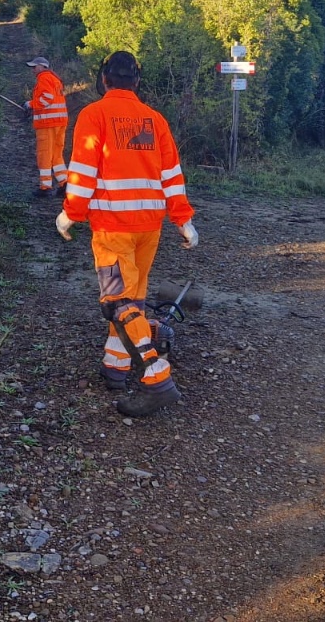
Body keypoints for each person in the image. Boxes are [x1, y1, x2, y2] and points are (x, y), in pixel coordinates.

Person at [55, 50, 198, 418]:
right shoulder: (154, 119)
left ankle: (155, 374)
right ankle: (116, 366)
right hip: (148, 227)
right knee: (132, 297)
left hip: (113, 226)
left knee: (118, 302)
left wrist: (70, 214)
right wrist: (183, 220)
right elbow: (172, 176)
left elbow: (83, 172)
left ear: (104, 79)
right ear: (137, 81)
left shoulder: (94, 115)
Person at [25, 55, 68, 196]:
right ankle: (64, 183)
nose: (33, 70)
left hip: (47, 124)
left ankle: (45, 187)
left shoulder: (43, 78)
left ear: (43, 66)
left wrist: (30, 104)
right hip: (60, 122)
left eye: (34, 67)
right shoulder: (55, 79)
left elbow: (46, 98)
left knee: (44, 155)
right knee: (57, 154)